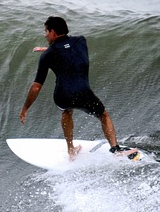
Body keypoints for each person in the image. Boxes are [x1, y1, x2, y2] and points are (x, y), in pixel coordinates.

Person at [18, 16, 137, 161]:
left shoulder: (47, 55)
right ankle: (116, 149)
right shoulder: (81, 41)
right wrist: (47, 49)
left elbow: (36, 87)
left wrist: (25, 108)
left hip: (62, 96)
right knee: (103, 115)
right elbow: (67, 48)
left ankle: (71, 150)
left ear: (53, 32)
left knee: (67, 112)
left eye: (46, 31)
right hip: (83, 93)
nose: (45, 34)